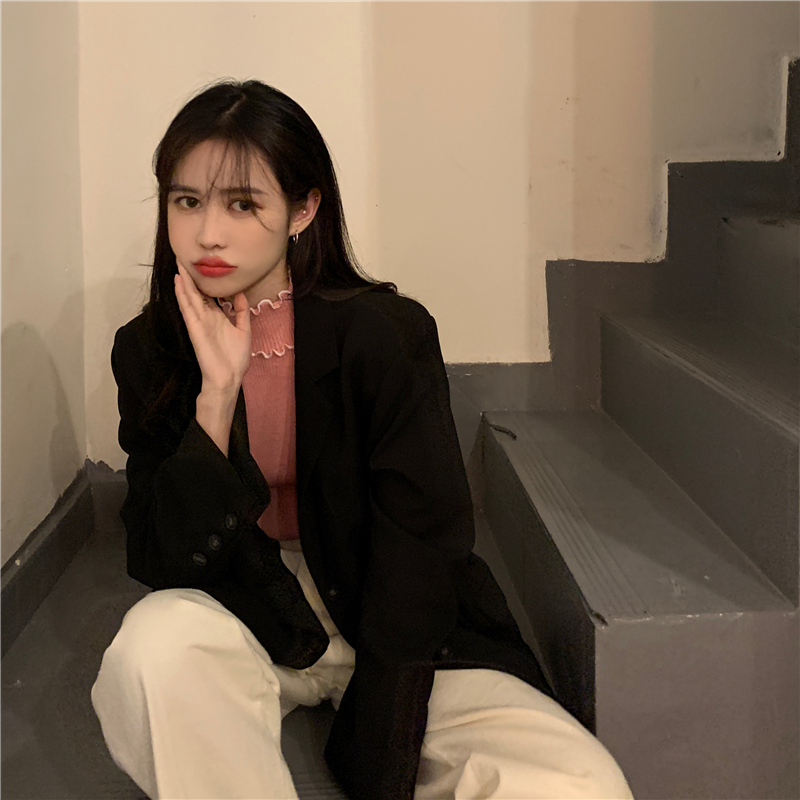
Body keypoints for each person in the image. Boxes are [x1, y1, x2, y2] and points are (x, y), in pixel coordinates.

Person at [91, 78, 634, 800]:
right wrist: (216, 398)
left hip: (395, 617)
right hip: (250, 610)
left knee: (577, 782)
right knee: (148, 653)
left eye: (243, 204)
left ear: (303, 209)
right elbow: (160, 555)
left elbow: (424, 540)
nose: (208, 234)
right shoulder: (150, 348)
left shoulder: (385, 333)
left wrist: (381, 746)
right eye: (187, 201)